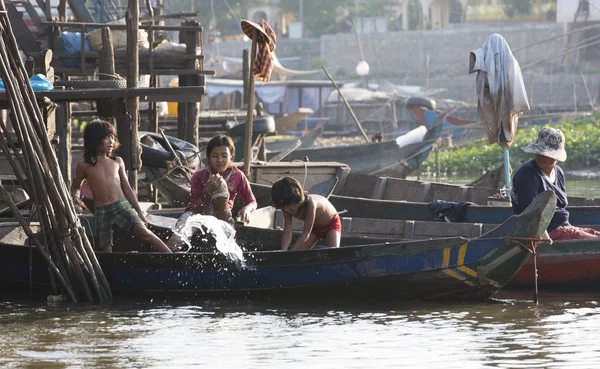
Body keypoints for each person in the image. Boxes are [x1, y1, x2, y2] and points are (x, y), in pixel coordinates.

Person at [71, 120, 172, 253]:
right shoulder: (83, 166)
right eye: (107, 138)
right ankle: (111, 270)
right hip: (101, 212)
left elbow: (126, 188)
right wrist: (75, 198)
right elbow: (76, 186)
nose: (112, 141)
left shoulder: (117, 161)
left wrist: (139, 212)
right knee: (106, 249)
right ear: (94, 140)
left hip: (121, 205)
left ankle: (170, 255)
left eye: (113, 137)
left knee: (144, 232)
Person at [166, 135, 257, 250]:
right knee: (177, 240)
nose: (219, 160)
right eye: (215, 156)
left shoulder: (238, 175)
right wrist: (207, 192)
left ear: (232, 158)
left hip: (223, 214)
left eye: (224, 156)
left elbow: (252, 201)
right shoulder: (199, 176)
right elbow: (195, 209)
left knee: (221, 186)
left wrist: (247, 209)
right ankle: (168, 257)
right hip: (197, 214)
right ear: (209, 158)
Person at [511, 127, 600, 241]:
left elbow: (561, 211)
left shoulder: (559, 172)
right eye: (540, 152)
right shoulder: (527, 174)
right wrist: (546, 242)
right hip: (541, 233)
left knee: (595, 235)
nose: (542, 156)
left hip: (564, 228)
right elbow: (529, 217)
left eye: (547, 154)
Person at [271, 176, 341, 251]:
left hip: (331, 224)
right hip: (314, 229)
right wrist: (283, 251)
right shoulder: (285, 207)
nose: (286, 210)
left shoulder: (311, 204)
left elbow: (306, 234)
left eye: (288, 206)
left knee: (334, 251)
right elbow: (288, 232)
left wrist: (291, 252)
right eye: (283, 207)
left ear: (298, 200)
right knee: (296, 255)